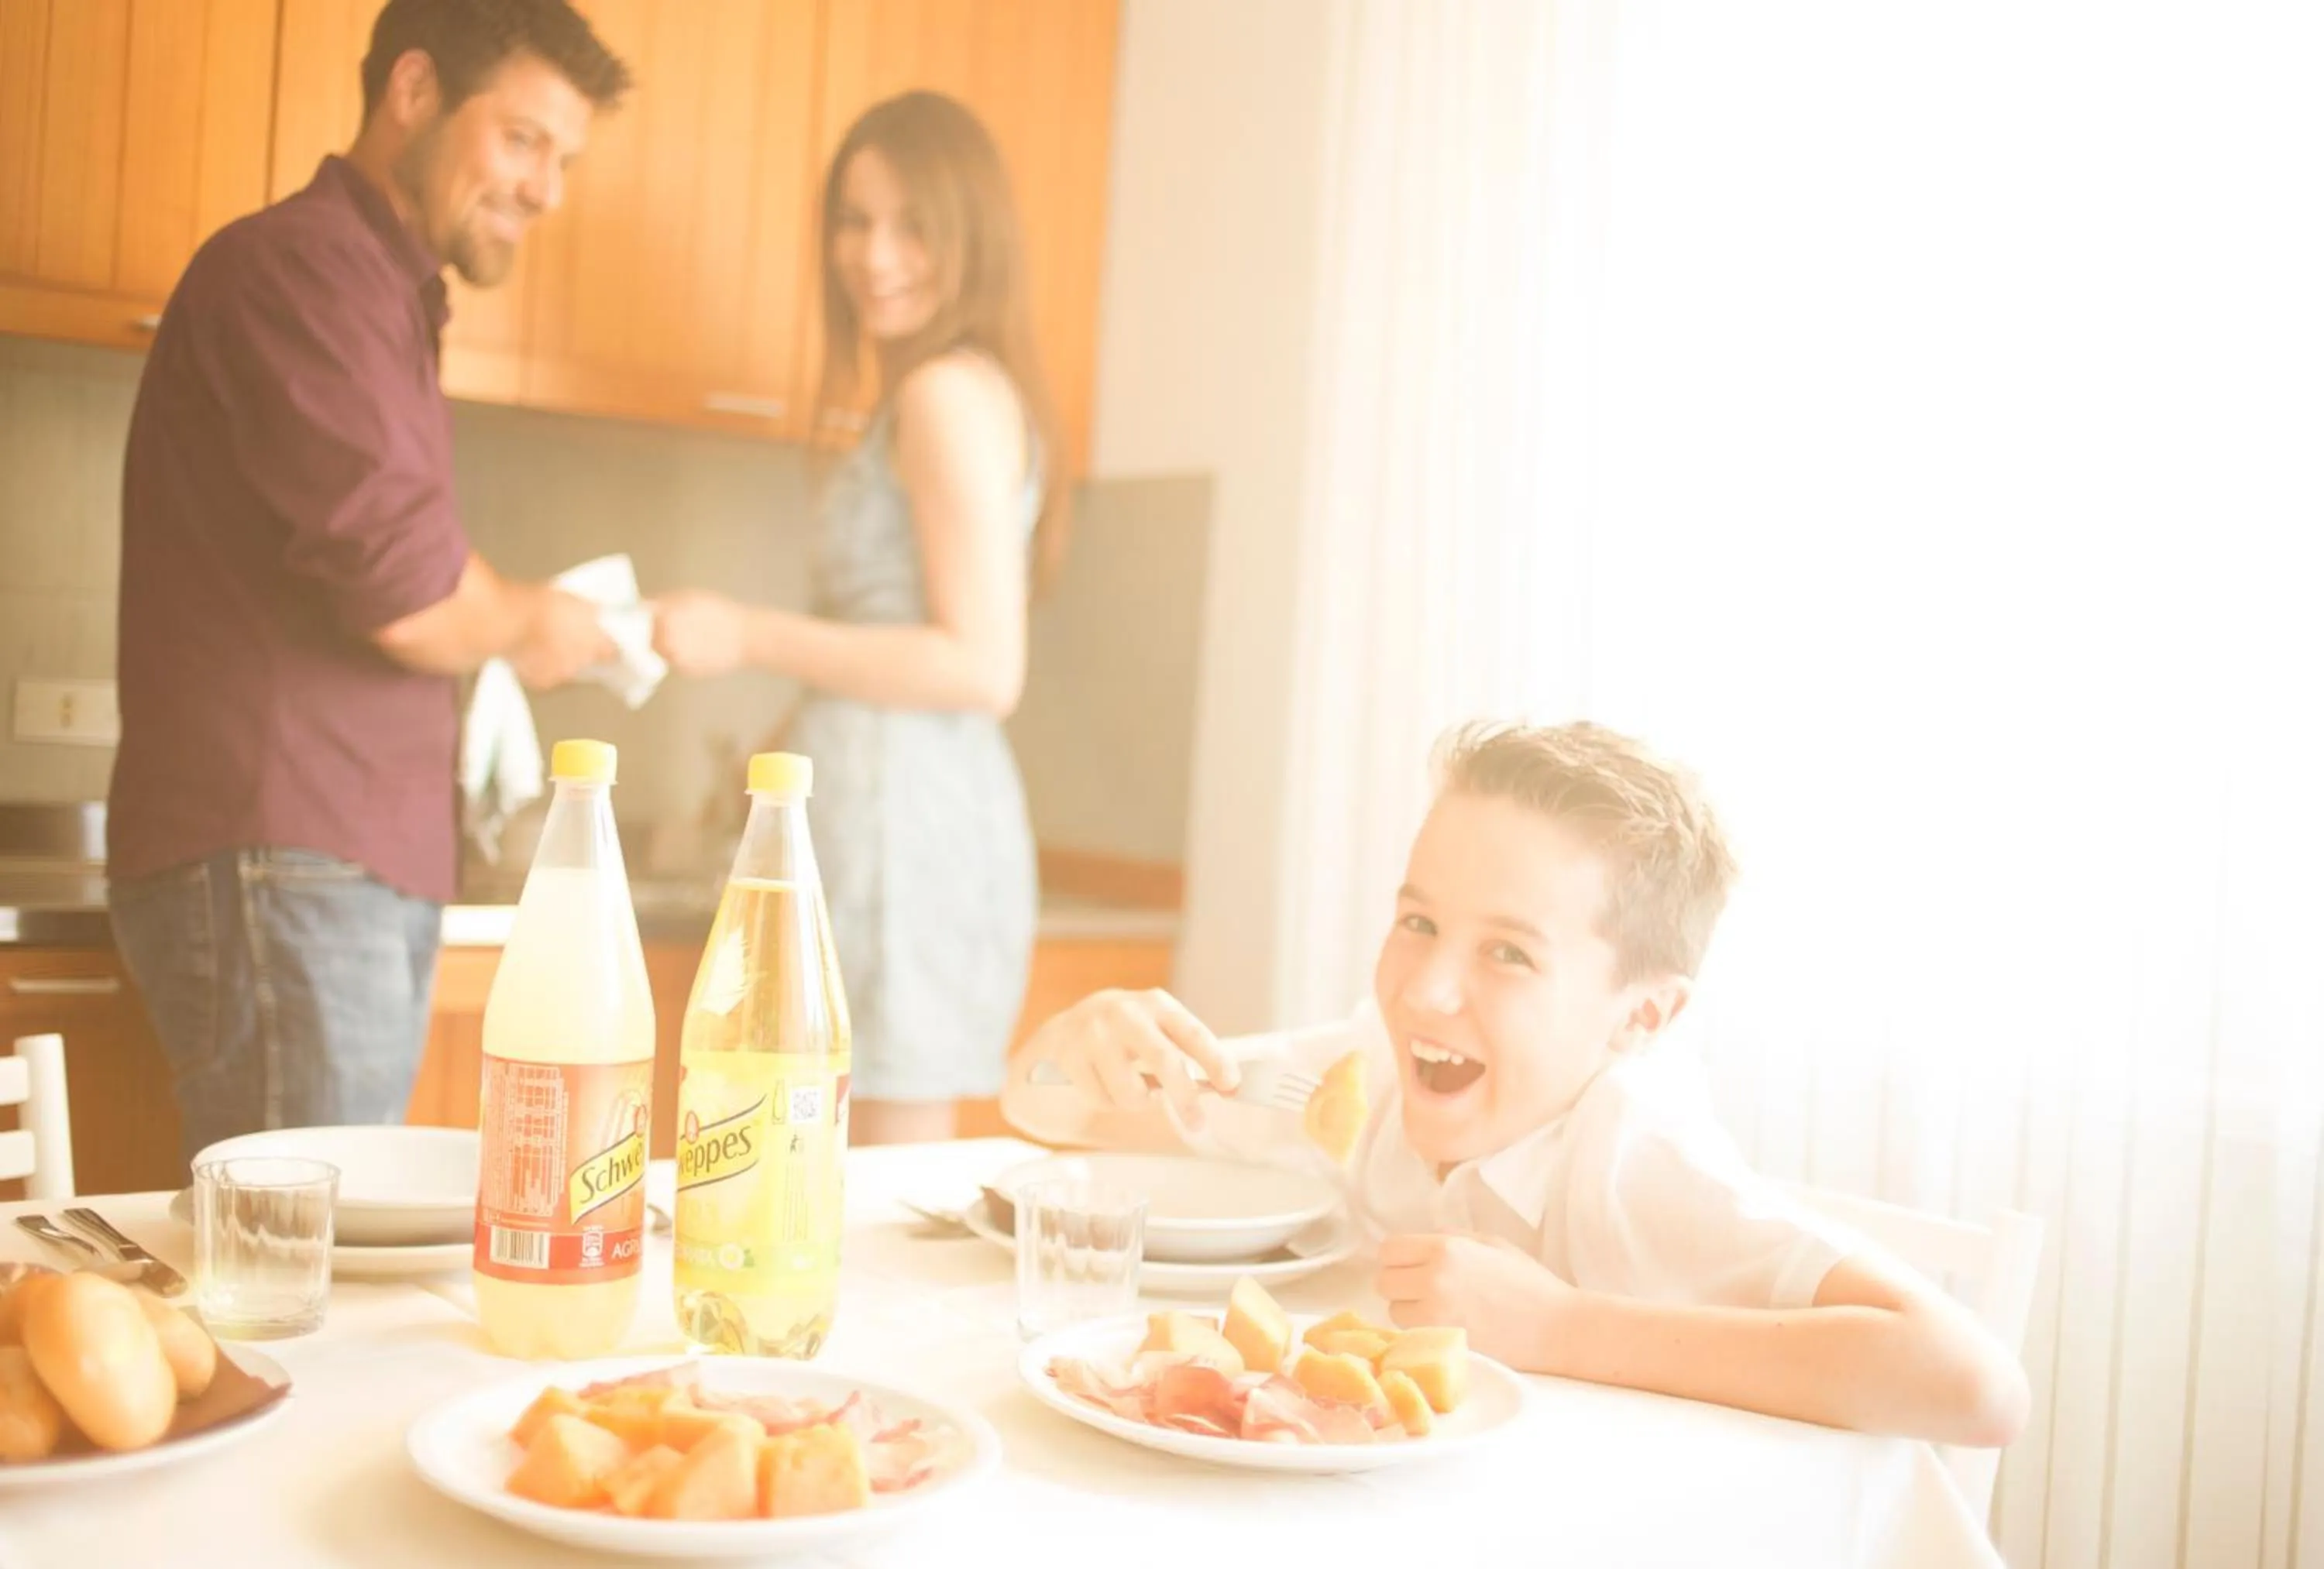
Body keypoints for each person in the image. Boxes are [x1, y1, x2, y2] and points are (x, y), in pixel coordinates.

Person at [1002, 720, 2031, 1446]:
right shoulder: (1369, 1079)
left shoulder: (1631, 1149)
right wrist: (1071, 1047)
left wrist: (1559, 1328)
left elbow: (1976, 1387)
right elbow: (1051, 1112)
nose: (1427, 989)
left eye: (1510, 954)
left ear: (1642, 1016)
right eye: (1418, 922)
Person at [107, 0, 631, 1168]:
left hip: (326, 858)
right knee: (306, 1271)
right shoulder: (305, 272)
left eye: (566, 158)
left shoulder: (379, 295)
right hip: (287, 851)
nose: (548, 188)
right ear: (413, 91)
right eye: (523, 140)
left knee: (309, 1270)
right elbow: (410, 589)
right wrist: (531, 620)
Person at [653, 92, 1061, 1146]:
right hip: (890, 821)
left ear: (971, 234)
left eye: (911, 223)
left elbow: (982, 665)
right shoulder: (942, 390)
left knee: (870, 1195)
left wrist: (744, 633)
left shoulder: (941, 395)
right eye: (854, 219)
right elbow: (897, 642)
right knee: (835, 1187)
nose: (874, 255)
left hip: (905, 835)